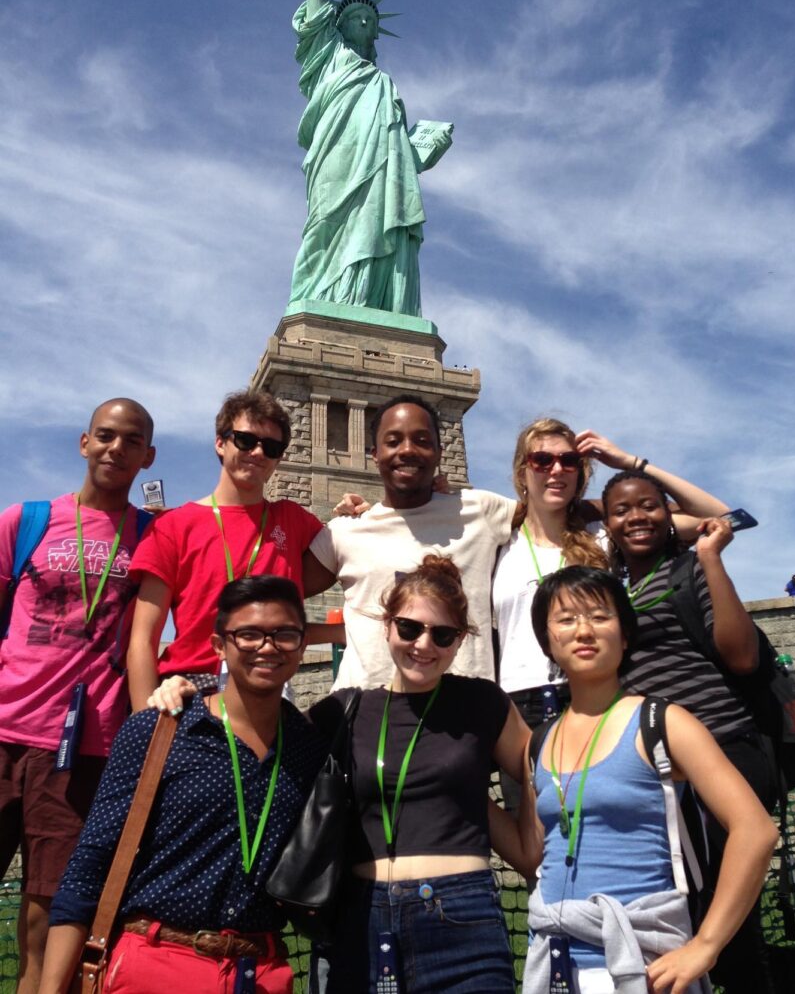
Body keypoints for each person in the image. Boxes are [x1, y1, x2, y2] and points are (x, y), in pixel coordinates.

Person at [493, 565, 777, 994]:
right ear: (548, 642)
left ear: (625, 636)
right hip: (553, 962)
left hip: (645, 964)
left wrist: (707, 945)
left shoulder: (663, 723)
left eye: (599, 616)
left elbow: (755, 830)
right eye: (566, 619)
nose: (583, 630)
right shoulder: (541, 741)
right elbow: (534, 855)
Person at [38, 576, 327, 994]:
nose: (267, 647)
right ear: (218, 645)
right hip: (156, 960)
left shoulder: (309, 748)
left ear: (301, 646)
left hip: (259, 970)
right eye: (248, 634)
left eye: (284, 634)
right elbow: (89, 867)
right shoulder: (160, 731)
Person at [308, 555, 532, 992]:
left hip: (461, 915)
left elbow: (545, 768)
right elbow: (257, 745)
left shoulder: (482, 703)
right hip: (361, 918)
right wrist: (186, 689)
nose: (424, 645)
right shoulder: (343, 711)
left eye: (443, 635)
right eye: (410, 628)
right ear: (388, 626)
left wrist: (526, 846)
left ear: (460, 640)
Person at [0, 398, 156, 994]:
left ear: (149, 455)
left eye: (132, 440)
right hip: (6, 727)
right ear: (84, 442)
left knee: (46, 923)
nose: (117, 448)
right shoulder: (26, 520)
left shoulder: (151, 535)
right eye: (107, 436)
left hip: (82, 747)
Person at [602, 469, 778, 992]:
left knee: (733, 919)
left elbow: (742, 657)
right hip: (663, 765)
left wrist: (709, 557)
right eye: (621, 510)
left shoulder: (690, 568)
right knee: (692, 906)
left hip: (723, 744)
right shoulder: (614, 588)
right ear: (606, 523)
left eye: (649, 506)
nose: (637, 516)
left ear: (669, 514)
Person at [493, 421, 729, 734]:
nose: (557, 470)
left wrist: (631, 463)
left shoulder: (605, 534)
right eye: (542, 460)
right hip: (519, 707)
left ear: (580, 472)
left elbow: (718, 517)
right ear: (522, 471)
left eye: (569, 461)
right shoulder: (497, 542)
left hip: (602, 695)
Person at [288, 0, 452, 315]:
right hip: (337, 162)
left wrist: (421, 149)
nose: (367, 24)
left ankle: (376, 305)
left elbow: (397, 151)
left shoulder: (384, 84)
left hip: (381, 175)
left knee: (381, 222)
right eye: (359, 18)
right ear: (338, 25)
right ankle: (324, 300)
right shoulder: (328, 56)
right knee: (325, 227)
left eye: (372, 22)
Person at [126, 389, 325, 711]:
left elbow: (358, 548)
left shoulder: (293, 521)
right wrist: (142, 727)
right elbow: (142, 639)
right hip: (188, 691)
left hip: (270, 690)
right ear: (221, 442)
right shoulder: (173, 526)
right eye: (246, 440)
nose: (258, 452)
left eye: (271, 447)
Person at [302, 394, 517, 689]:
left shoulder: (481, 511)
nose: (407, 450)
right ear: (374, 453)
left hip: (464, 717)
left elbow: (560, 513)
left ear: (439, 452)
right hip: (368, 716)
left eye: (422, 440)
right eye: (393, 441)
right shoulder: (344, 531)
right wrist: (342, 631)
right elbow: (276, 596)